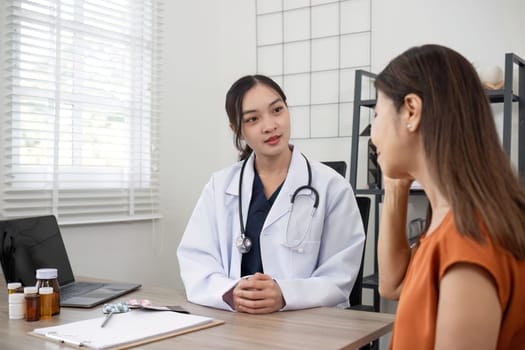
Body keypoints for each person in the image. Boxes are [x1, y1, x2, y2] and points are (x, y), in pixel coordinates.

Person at [372, 44, 525, 349]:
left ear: (411, 111)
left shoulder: (468, 240)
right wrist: (396, 181)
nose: (373, 132)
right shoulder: (451, 221)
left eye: (377, 114)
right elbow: (392, 284)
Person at [177, 74, 365, 314]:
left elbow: (340, 275)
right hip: (236, 323)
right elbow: (195, 260)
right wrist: (230, 291)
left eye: (277, 110)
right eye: (253, 119)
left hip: (304, 325)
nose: (270, 125)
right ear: (238, 130)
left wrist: (286, 295)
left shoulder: (332, 187)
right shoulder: (220, 186)